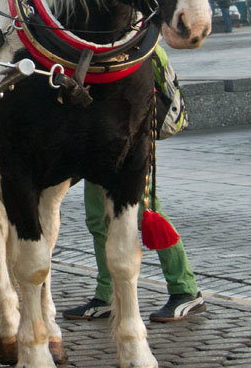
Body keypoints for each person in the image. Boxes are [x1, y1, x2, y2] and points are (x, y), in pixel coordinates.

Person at [63, 48, 206, 323]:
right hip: (96, 139)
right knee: (97, 219)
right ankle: (106, 293)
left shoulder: (141, 44)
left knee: (146, 214)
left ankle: (185, 289)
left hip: (129, 142)